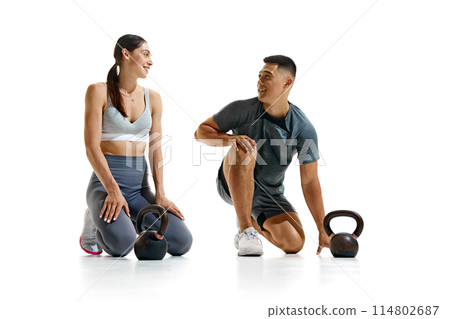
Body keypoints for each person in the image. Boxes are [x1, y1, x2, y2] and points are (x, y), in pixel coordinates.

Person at [194, 55, 330, 256]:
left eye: (267, 76)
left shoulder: (303, 128)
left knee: (294, 243)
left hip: (269, 193)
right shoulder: (242, 109)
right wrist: (230, 139)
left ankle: (250, 222)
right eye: (259, 76)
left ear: (287, 82)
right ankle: (245, 230)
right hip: (230, 181)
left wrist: (322, 229)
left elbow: (310, 181)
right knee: (245, 146)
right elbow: (201, 132)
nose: (260, 82)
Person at [80, 34, 192, 257]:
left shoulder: (154, 99)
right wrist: (112, 190)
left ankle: (128, 218)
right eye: (146, 54)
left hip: (139, 189)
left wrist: (160, 194)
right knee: (123, 247)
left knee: (182, 243)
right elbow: (92, 147)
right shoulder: (98, 91)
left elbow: (155, 148)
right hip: (105, 187)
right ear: (126, 54)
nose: (151, 61)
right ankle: (93, 217)